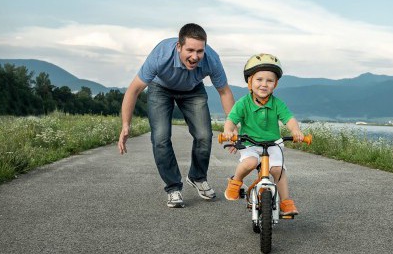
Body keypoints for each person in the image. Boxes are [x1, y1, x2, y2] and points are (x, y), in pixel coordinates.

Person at [118, 23, 235, 208]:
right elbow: (134, 90)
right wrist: (126, 124)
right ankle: (173, 188)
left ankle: (197, 177)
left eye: (200, 51)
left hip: (193, 89)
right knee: (161, 137)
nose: (195, 57)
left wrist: (232, 124)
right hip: (160, 88)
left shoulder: (211, 58)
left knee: (204, 135)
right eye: (190, 50)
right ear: (179, 46)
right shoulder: (161, 55)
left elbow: (225, 92)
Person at [221, 53, 303, 215]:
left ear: (275, 84)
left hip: (273, 143)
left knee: (278, 170)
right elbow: (231, 120)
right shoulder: (243, 103)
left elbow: (290, 119)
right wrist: (228, 131)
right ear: (250, 82)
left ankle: (286, 202)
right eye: (259, 80)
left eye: (269, 80)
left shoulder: (277, 103)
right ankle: (235, 182)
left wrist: (296, 131)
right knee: (250, 162)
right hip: (250, 143)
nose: (264, 84)